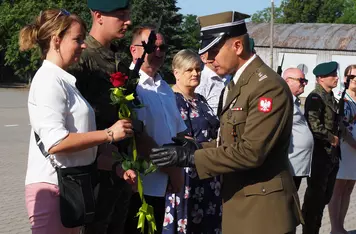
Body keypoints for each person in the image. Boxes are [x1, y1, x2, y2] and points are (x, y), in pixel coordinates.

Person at [149, 11, 302, 234]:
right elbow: (228, 141)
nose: (207, 59)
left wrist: (193, 157)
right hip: (240, 203)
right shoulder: (237, 84)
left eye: (213, 51)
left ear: (237, 46)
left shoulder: (267, 87)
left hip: (262, 212)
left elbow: (252, 151)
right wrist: (196, 148)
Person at [20, 9, 135, 234]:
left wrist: (114, 166)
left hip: (71, 188)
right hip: (53, 190)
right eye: (77, 39)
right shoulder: (48, 81)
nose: (83, 45)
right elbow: (56, 142)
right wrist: (109, 134)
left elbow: (80, 144)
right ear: (56, 40)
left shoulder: (65, 81)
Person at [68, 1, 135, 233]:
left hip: (120, 170)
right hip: (94, 171)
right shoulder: (82, 58)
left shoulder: (119, 59)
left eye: (128, 14)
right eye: (121, 15)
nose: (128, 21)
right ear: (98, 16)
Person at [124, 25, 187, 234]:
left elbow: (178, 133)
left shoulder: (164, 87)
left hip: (160, 184)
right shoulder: (130, 86)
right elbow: (139, 139)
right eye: (152, 46)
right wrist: (173, 170)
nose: (158, 52)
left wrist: (176, 168)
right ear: (134, 50)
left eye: (163, 47)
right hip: (138, 186)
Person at [162, 49, 221, 234]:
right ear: (176, 72)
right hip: (185, 173)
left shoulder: (201, 100)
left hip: (208, 170)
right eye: (189, 70)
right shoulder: (170, 99)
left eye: (198, 69)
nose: (195, 74)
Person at [302, 61, 340, 234]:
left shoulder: (330, 96)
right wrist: (331, 138)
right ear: (320, 78)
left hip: (331, 156)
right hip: (320, 154)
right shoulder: (315, 97)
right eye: (332, 75)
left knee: (323, 198)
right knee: (314, 200)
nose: (336, 78)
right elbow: (314, 125)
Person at [328, 65, 356, 234]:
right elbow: (337, 121)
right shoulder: (340, 97)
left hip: (355, 150)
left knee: (348, 188)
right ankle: (334, 227)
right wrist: (351, 140)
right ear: (346, 78)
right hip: (344, 147)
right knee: (338, 188)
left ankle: (341, 225)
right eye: (352, 76)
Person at [282, 67, 313, 190]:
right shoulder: (283, 100)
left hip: (298, 164)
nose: (304, 83)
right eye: (301, 80)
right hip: (290, 164)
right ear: (288, 81)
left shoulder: (294, 101)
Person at [196, 51, 229, 116]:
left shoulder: (229, 76)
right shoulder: (201, 81)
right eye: (214, 53)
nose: (219, 57)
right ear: (203, 58)